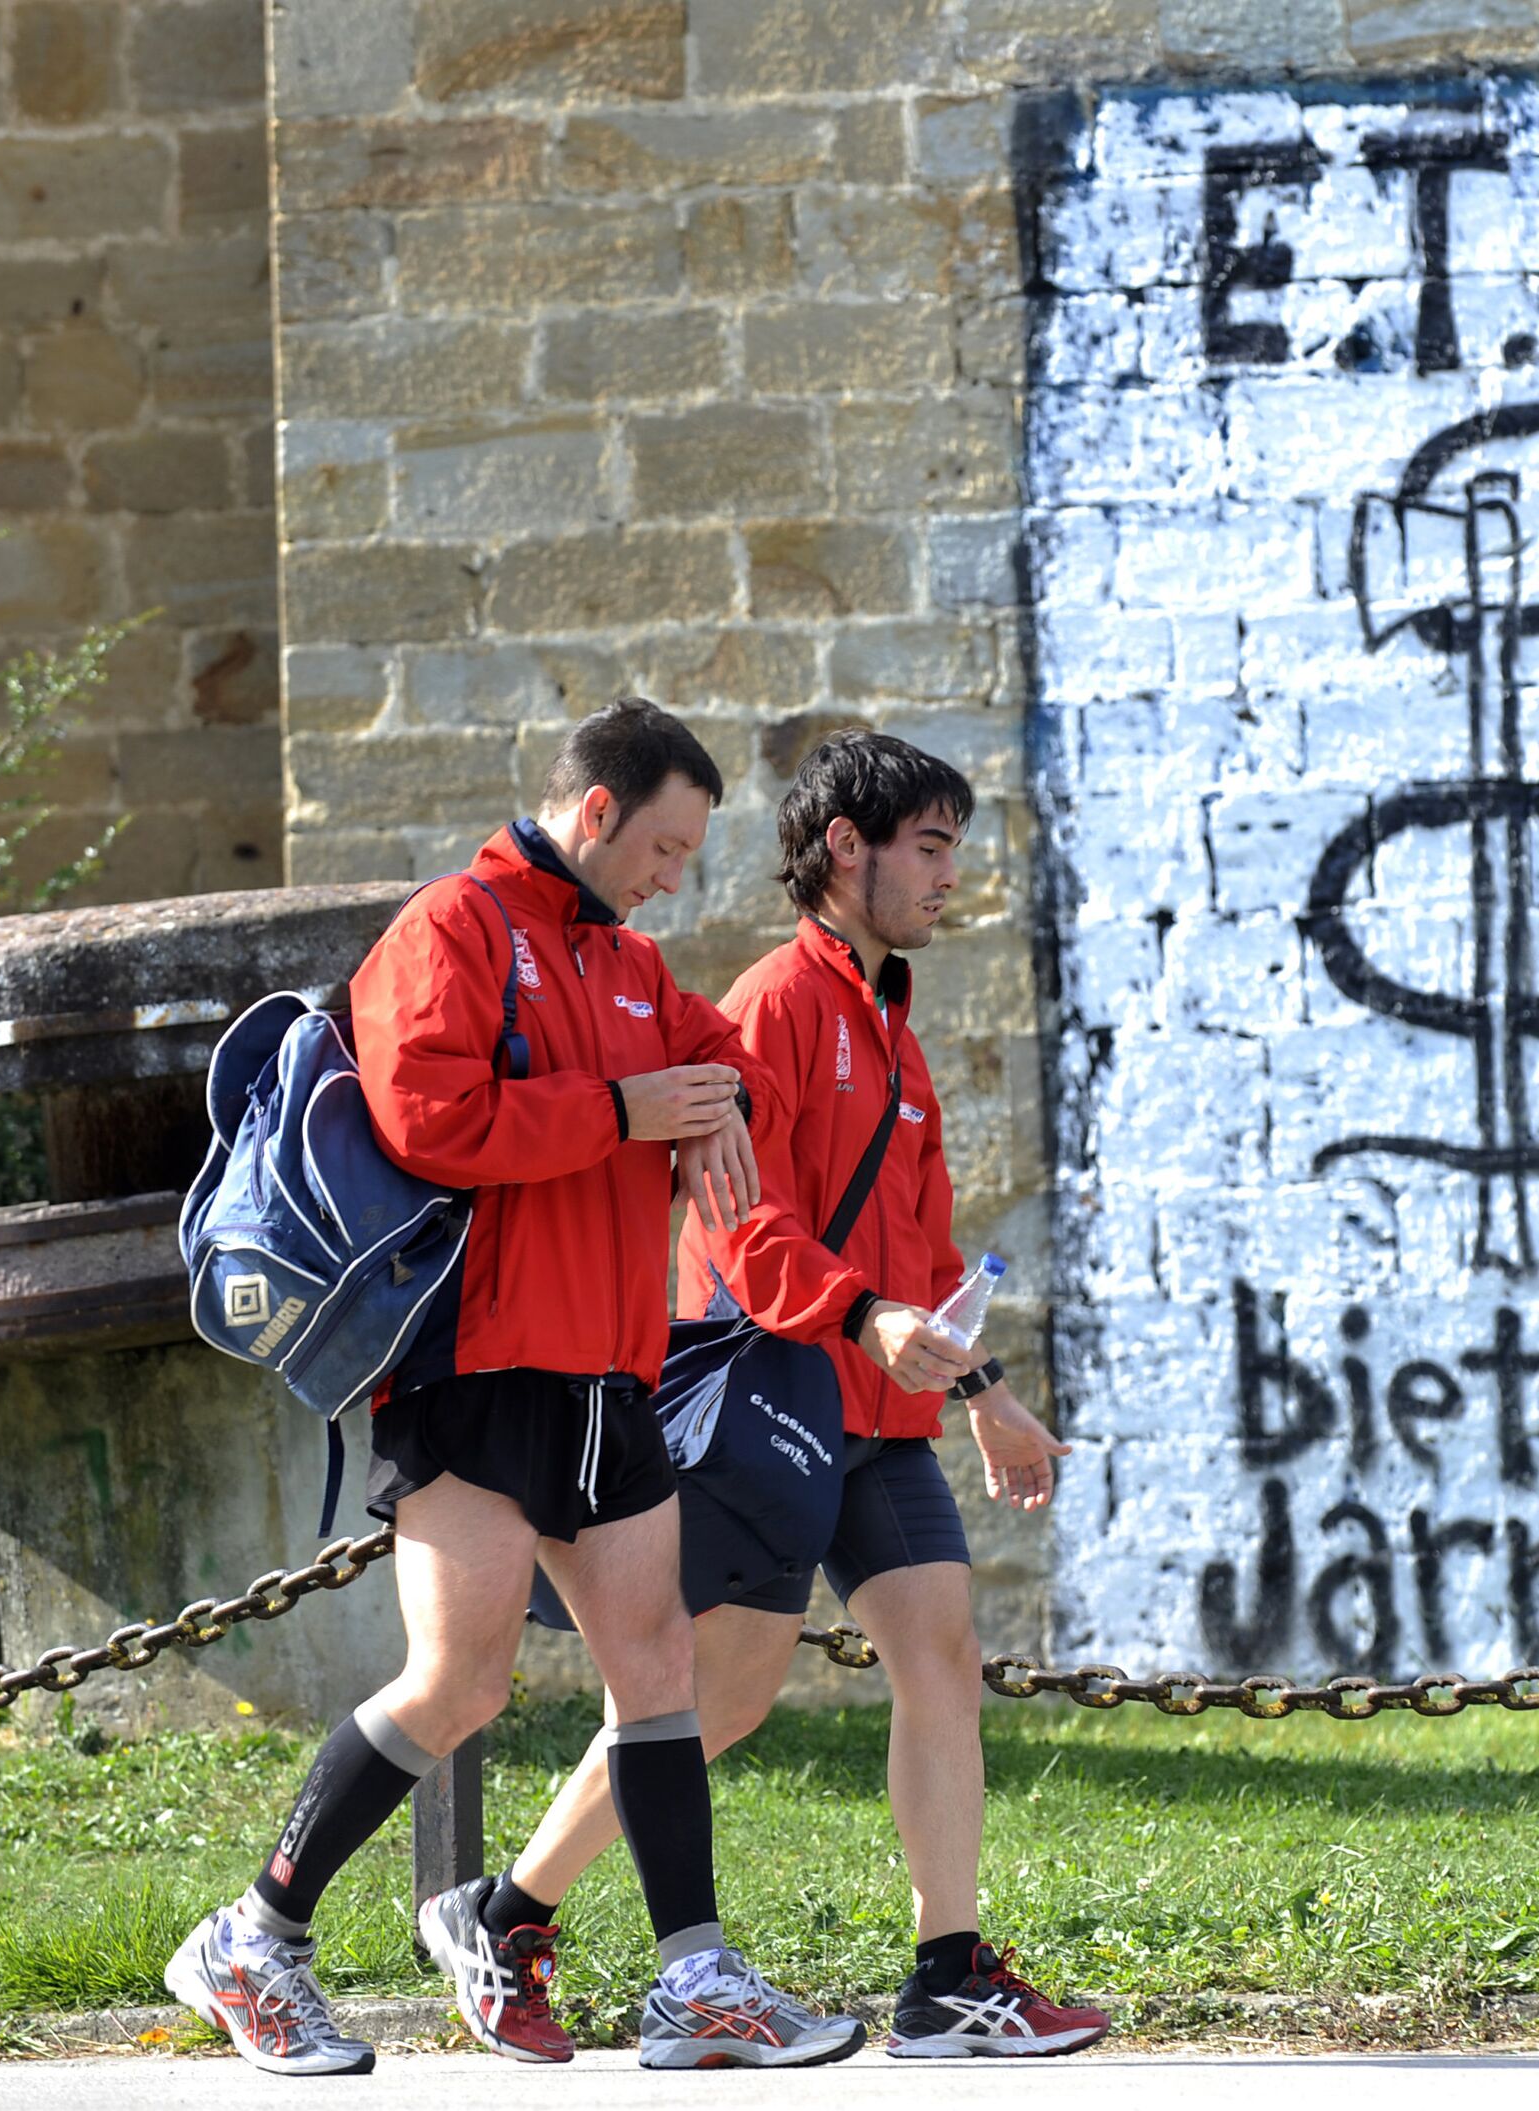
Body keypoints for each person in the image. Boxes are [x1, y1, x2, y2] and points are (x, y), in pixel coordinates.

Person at [164, 698, 863, 2076]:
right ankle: (251, 1939)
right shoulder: (455, 926)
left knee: (655, 1670)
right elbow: (426, 1118)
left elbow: (724, 1053)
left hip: (610, 1373)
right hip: (472, 1371)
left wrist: (710, 1104)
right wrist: (623, 1114)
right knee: (459, 1683)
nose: (674, 880)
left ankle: (695, 1983)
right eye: (664, 847)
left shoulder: (624, 960)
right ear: (596, 810)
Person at [480, 731, 1111, 2060]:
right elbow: (737, 1224)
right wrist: (864, 1316)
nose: (949, 877)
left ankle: (946, 1978)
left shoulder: (895, 1030)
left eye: (952, 851)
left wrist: (984, 1389)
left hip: (882, 1422)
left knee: (942, 1656)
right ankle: (510, 1916)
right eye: (928, 848)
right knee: (714, 1699)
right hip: (771, 1412)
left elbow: (924, 1249)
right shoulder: (773, 1005)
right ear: (844, 847)